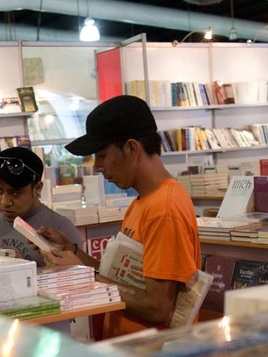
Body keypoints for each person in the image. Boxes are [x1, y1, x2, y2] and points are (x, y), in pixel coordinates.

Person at [38, 95, 201, 337]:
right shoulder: (144, 201)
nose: (97, 166)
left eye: (102, 155)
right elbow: (118, 281)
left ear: (132, 148)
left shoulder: (164, 209)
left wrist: (86, 276)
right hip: (133, 352)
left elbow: (157, 308)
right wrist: (72, 251)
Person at [0, 146, 82, 267]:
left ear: (38, 188)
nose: (4, 202)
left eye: (15, 193)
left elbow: (79, 279)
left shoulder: (61, 229)